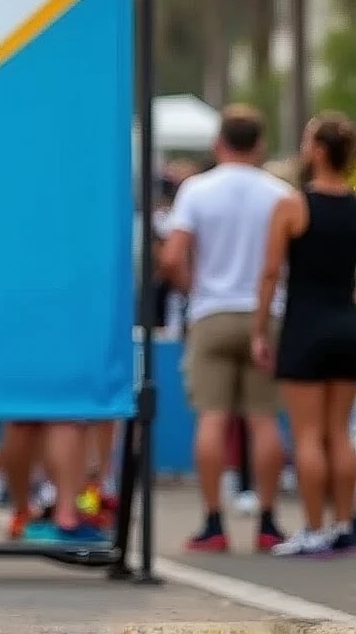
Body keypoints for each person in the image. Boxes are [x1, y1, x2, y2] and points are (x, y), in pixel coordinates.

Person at [161, 103, 291, 552]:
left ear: (219, 143)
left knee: (212, 419)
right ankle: (270, 523)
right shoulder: (279, 192)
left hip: (211, 313)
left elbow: (173, 255)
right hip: (265, 312)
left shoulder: (196, 190)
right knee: (264, 419)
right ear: (259, 145)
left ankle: (214, 522)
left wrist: (195, 289)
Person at [252, 112, 356, 555]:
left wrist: (260, 329)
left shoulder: (293, 205)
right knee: (340, 433)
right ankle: (344, 523)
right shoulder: (355, 204)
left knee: (308, 435)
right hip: (346, 324)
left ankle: (314, 527)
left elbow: (272, 271)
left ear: (317, 151)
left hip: (306, 326)